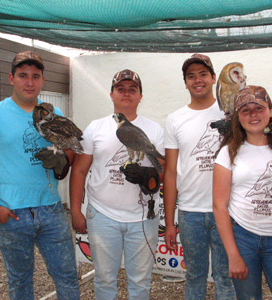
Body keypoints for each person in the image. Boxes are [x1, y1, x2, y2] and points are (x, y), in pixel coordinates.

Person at [0, 51, 80, 300]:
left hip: (51, 209)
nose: (29, 82)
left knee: (68, 275)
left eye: (35, 76)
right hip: (12, 213)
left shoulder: (53, 112)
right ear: (11, 78)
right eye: (23, 76)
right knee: (20, 281)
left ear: (42, 81)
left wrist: (63, 159)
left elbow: (71, 150)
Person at [70, 69, 164, 300]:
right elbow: (80, 170)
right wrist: (75, 210)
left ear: (140, 96)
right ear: (111, 94)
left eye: (132, 90)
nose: (126, 94)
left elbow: (164, 169)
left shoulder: (154, 129)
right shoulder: (96, 128)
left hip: (143, 216)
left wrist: (149, 175)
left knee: (141, 283)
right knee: (104, 279)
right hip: (102, 216)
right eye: (120, 89)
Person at [212, 85, 272, 300]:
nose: (253, 114)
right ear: (238, 117)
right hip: (243, 238)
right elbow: (219, 205)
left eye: (259, 108)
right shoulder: (227, 153)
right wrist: (233, 255)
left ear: (271, 111)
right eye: (246, 110)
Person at [164, 54, 235, 300]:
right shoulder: (175, 119)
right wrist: (170, 222)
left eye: (203, 74)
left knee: (226, 277)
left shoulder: (231, 111)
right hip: (190, 212)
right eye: (191, 76)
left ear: (214, 78)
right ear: (185, 83)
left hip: (226, 210)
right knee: (194, 276)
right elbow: (170, 172)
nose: (198, 80)